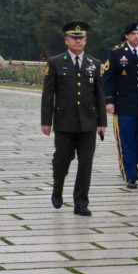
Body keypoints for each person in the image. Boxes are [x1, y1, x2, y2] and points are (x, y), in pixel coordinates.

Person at [41, 20, 105, 215]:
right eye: (74, 38)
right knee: (62, 160)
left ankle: (81, 203)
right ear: (66, 40)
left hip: (88, 122)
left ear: (86, 40)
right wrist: (46, 121)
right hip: (64, 121)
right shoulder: (55, 62)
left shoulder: (94, 64)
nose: (78, 41)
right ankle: (57, 187)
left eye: (81, 38)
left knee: (86, 163)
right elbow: (48, 94)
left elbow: (99, 94)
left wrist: (102, 122)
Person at [103, 21, 138, 189]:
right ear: (127, 35)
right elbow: (108, 80)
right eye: (134, 34)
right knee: (126, 141)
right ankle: (130, 175)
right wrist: (109, 101)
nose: (137, 37)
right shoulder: (116, 53)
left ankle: (134, 162)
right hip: (124, 104)